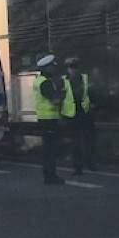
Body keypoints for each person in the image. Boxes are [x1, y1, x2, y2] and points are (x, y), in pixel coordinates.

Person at [61, 57, 97, 175]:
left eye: (75, 67)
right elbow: (61, 98)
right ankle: (78, 167)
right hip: (71, 115)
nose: (73, 70)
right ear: (67, 69)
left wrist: (92, 104)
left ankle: (90, 162)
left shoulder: (85, 78)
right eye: (71, 68)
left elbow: (91, 93)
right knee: (75, 143)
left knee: (89, 140)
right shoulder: (63, 81)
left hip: (84, 113)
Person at [34, 54, 66, 185]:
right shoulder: (45, 83)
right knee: (50, 150)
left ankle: (48, 175)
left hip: (45, 119)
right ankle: (50, 176)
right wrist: (62, 92)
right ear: (46, 68)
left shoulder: (39, 80)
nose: (54, 69)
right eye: (52, 67)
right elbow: (55, 99)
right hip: (49, 119)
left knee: (48, 149)